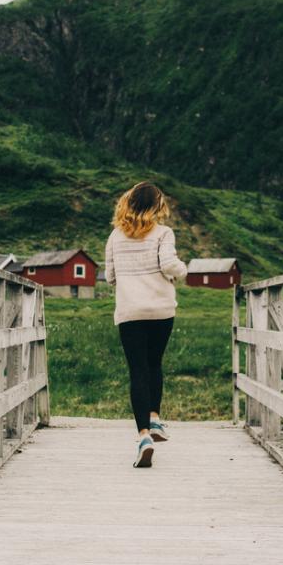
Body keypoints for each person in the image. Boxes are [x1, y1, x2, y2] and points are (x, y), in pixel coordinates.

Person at [105, 181, 188, 468]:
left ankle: (144, 437)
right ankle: (155, 418)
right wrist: (182, 270)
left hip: (130, 310)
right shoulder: (164, 233)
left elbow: (110, 276)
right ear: (156, 206)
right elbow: (168, 264)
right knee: (155, 363)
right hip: (161, 310)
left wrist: (129, 279)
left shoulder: (115, 237)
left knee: (137, 370)